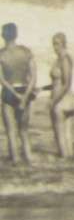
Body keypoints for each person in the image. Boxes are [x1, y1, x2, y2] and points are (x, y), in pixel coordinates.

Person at [0, 23, 37, 164]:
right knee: (24, 130)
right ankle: (29, 157)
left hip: (9, 92)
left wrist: (15, 95)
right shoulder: (26, 52)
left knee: (11, 130)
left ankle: (15, 159)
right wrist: (25, 96)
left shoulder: (1, 54)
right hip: (24, 90)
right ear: (16, 34)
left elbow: (2, 79)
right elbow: (33, 77)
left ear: (3, 35)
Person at [48, 32, 74, 158]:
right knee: (66, 131)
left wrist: (54, 101)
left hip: (61, 98)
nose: (55, 47)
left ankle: (64, 157)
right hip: (64, 97)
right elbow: (57, 82)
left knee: (60, 131)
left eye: (57, 44)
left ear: (64, 44)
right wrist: (43, 88)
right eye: (53, 44)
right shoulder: (60, 59)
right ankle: (69, 158)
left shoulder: (64, 59)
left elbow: (66, 83)